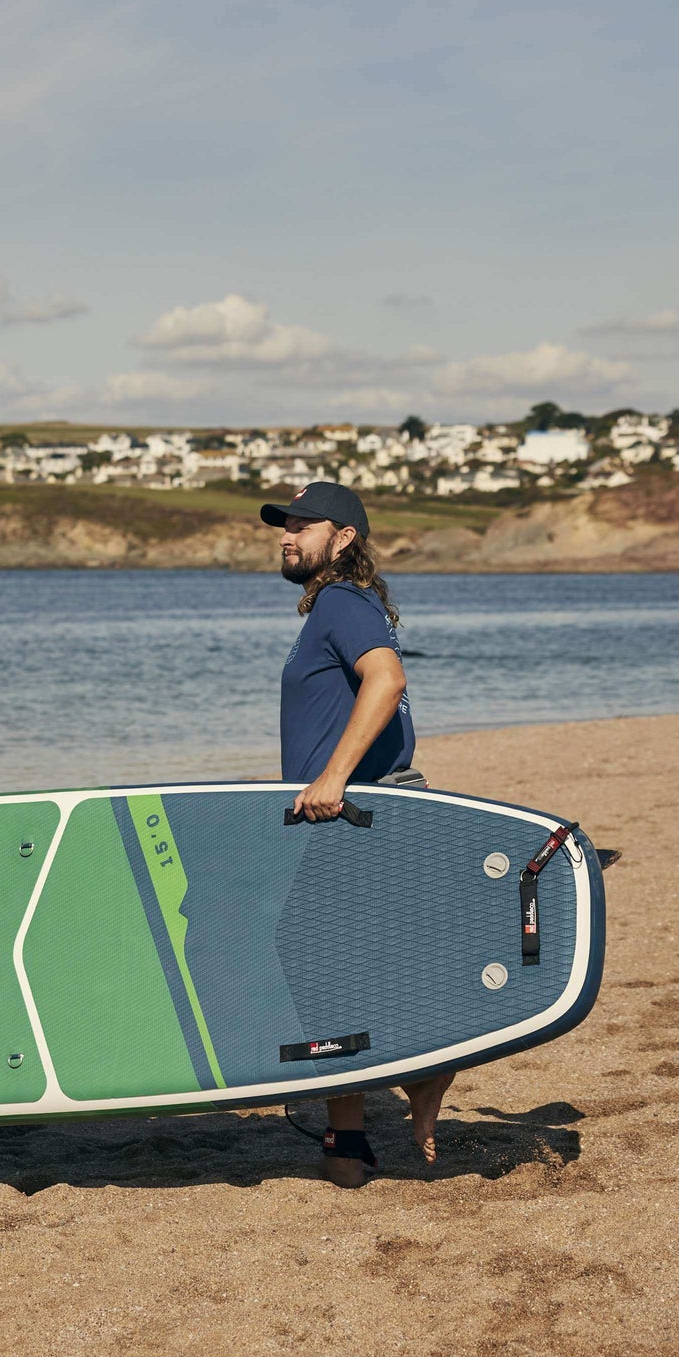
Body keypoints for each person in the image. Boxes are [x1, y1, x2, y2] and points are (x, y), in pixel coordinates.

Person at [262, 481, 454, 1188]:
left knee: (319, 959)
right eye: (283, 526)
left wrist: (334, 777)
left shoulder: (342, 603)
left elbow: (388, 680)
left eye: (301, 525)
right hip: (345, 816)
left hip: (352, 816)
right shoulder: (338, 608)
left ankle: (423, 1078)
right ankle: (352, 1137)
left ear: (343, 538)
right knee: (332, 964)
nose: (286, 535)